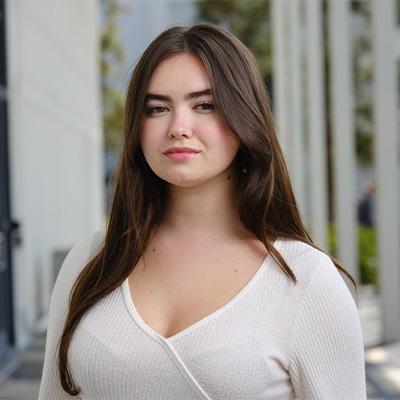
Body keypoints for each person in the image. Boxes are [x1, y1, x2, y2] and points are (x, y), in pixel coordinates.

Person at [38, 23, 366, 399]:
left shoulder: (305, 280)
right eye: (157, 108)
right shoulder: (89, 262)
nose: (178, 127)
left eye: (205, 105)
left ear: (244, 118)